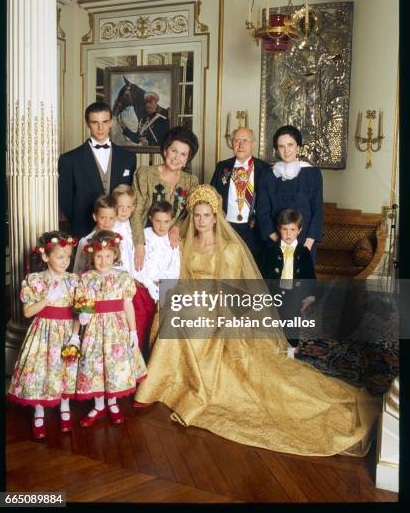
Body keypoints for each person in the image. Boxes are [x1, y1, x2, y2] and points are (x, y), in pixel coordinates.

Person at [134, 185, 379, 457]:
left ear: (216, 217)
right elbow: (182, 277)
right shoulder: (185, 242)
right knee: (173, 314)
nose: (201, 220)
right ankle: (165, 383)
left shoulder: (228, 249)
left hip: (219, 307)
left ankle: (186, 383)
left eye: (206, 215)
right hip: (194, 302)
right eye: (197, 215)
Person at [7, 232, 79, 439]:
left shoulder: (74, 280)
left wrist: (75, 334)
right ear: (46, 257)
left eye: (68, 256)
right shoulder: (35, 280)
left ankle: (64, 405)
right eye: (60, 256)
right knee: (40, 368)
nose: (65, 261)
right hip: (43, 331)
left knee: (65, 368)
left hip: (66, 331)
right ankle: (39, 409)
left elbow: (78, 311)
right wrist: (47, 299)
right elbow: (28, 312)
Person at [74, 231, 147, 427]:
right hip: (95, 328)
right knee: (95, 364)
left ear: (115, 255)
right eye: (99, 256)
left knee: (115, 364)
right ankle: (99, 405)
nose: (103, 260)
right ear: (92, 255)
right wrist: (83, 315)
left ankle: (112, 403)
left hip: (117, 328)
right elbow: (83, 304)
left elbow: (128, 305)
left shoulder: (122, 278)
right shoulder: (87, 278)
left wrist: (133, 332)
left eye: (108, 256)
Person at [58, 101, 136, 238]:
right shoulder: (69, 159)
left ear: (111, 122)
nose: (100, 128)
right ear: (88, 124)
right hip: (85, 228)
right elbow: (65, 200)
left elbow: (129, 194)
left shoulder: (128, 158)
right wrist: (82, 220)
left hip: (120, 229)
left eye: (105, 122)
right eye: (95, 123)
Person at [131, 125, 199, 271]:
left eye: (183, 154)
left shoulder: (191, 181)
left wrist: (176, 227)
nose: (177, 158)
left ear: (187, 159)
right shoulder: (145, 174)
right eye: (174, 151)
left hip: (173, 243)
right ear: (165, 150)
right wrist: (139, 244)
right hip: (145, 238)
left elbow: (189, 212)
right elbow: (136, 211)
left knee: (169, 285)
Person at [257, 125, 323, 261]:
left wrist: (306, 246)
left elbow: (318, 211)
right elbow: (262, 212)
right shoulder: (267, 175)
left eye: (290, 145)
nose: (286, 150)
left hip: (305, 243)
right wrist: (278, 243)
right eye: (281, 146)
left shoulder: (313, 174)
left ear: (298, 146)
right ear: (276, 149)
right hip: (275, 242)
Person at [210, 127, 269, 267]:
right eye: (237, 140)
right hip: (226, 229)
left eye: (245, 140)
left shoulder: (265, 169)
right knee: (227, 269)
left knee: (252, 271)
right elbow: (212, 197)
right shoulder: (222, 167)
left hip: (254, 230)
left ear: (253, 144)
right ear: (232, 144)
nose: (240, 145)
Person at [261, 208, 316, 348]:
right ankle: (274, 351)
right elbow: (263, 273)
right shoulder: (271, 251)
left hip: (295, 295)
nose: (288, 234)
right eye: (285, 229)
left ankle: (290, 353)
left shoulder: (304, 253)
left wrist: (309, 296)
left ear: (299, 230)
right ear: (279, 229)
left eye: (292, 229)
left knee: (292, 324)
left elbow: (309, 275)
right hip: (274, 294)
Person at [133, 201, 181, 359]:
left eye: (166, 222)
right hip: (144, 289)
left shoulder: (173, 240)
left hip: (165, 291)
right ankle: (139, 364)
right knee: (142, 327)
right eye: (158, 221)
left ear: (172, 221)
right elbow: (138, 267)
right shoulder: (144, 236)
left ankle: (157, 363)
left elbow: (175, 269)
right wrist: (150, 286)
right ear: (151, 218)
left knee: (160, 329)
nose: (162, 226)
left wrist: (163, 288)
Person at [73, 195, 117, 274]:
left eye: (111, 218)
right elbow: (78, 269)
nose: (107, 222)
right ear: (95, 217)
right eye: (103, 217)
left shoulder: (119, 240)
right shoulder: (85, 242)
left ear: (116, 218)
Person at [111, 184, 136, 277]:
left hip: (131, 275)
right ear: (113, 206)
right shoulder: (110, 227)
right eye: (120, 206)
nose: (124, 211)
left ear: (133, 208)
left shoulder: (129, 224)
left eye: (128, 207)